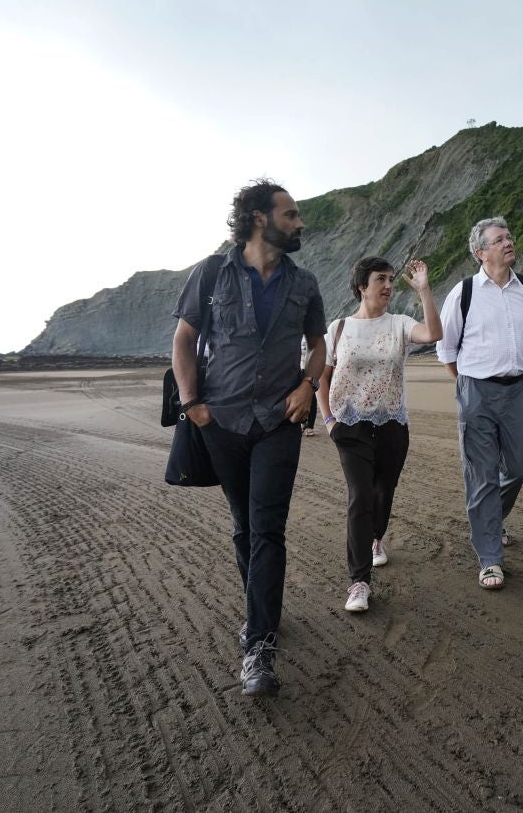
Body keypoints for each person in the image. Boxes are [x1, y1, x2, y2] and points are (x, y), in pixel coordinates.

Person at [171, 178, 326, 697]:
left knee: (268, 529)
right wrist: (193, 406)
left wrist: (308, 385)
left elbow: (319, 345)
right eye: (291, 215)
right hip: (222, 422)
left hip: (280, 421)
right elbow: (185, 340)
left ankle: (258, 645)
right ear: (260, 218)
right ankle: (262, 608)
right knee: (243, 524)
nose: (299, 223)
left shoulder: (303, 283)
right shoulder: (212, 273)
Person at [316, 257, 442, 613]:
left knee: (383, 492)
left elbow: (434, 334)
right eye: (380, 279)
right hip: (350, 425)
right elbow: (321, 378)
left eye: (390, 280)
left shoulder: (399, 324)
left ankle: (376, 538)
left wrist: (424, 290)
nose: (388, 286)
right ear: (361, 286)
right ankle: (358, 582)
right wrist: (328, 421)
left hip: (392, 425)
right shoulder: (338, 329)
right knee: (359, 497)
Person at [435, 218, 523, 590]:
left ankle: (491, 521)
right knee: (481, 475)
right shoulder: (463, 292)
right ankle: (490, 559)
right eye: (500, 239)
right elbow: (446, 350)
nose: (509, 242)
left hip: (519, 391)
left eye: (509, 236)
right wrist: (468, 385)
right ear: (481, 252)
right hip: (476, 391)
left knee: (518, 466)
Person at [300, 338, 319, 436]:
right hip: (296, 369)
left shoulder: (312, 334)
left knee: (311, 397)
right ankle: (303, 422)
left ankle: (310, 426)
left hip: (309, 369)